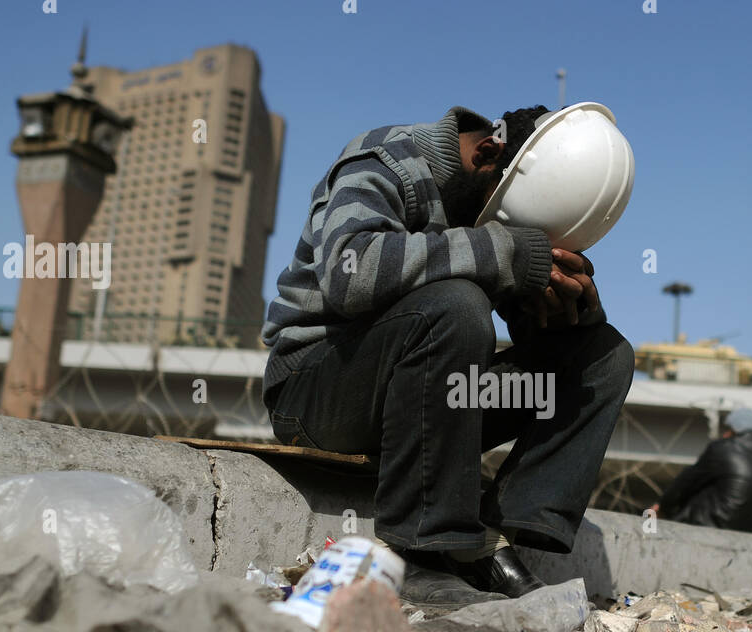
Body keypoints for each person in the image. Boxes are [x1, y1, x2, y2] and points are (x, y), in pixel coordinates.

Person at [260, 106, 633, 604]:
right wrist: (504, 251)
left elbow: (538, 345)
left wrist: (572, 310)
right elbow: (352, 272)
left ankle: (491, 539)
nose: (491, 235)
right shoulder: (385, 160)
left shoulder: (481, 200)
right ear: (485, 154)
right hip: (317, 388)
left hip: (428, 394)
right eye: (494, 226)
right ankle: (421, 548)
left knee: (602, 354)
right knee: (458, 304)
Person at [652, 407, 752, 535]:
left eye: (727, 429)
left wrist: (663, 507)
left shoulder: (723, 450)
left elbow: (685, 484)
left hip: (710, 531)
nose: (724, 434)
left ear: (734, 430)